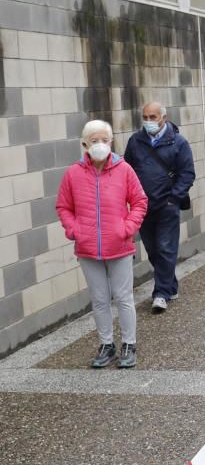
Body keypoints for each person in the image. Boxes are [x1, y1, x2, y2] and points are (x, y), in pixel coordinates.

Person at [56, 120, 149, 368]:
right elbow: (63, 206)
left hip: (119, 246)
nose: (99, 145)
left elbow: (139, 201)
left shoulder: (124, 169)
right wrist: (74, 230)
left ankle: (129, 344)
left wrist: (127, 228)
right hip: (87, 249)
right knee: (99, 299)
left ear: (111, 142)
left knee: (123, 297)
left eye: (104, 140)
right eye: (94, 140)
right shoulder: (73, 173)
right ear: (85, 144)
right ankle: (106, 344)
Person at [124, 102, 195, 314]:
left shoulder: (178, 142)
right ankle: (170, 285)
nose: (148, 121)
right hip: (143, 206)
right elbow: (127, 171)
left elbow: (187, 173)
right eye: (145, 116)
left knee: (165, 247)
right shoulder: (135, 141)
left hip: (167, 204)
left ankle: (161, 293)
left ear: (163, 118)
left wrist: (174, 198)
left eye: (153, 117)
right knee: (153, 249)